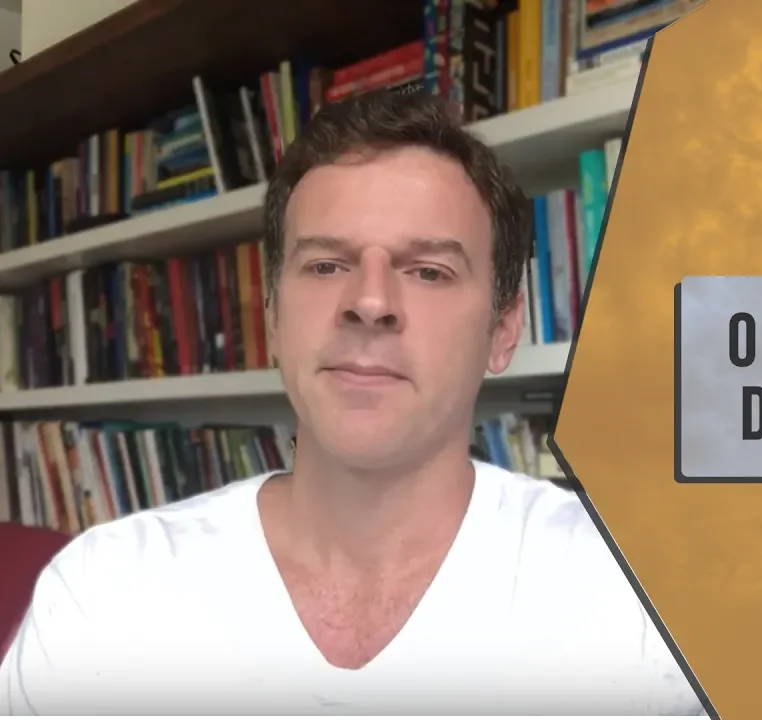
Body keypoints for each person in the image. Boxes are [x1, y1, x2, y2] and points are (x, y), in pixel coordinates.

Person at [0, 89, 706, 716]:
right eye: (326, 264)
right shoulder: (103, 593)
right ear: (273, 319)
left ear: (503, 329)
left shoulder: (639, 596)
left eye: (428, 271)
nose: (369, 301)